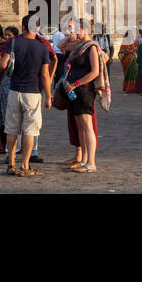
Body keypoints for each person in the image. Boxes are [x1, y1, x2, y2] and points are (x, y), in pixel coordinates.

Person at [3, 15, 51, 176]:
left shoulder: (12, 42)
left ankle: (11, 164)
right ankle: (25, 166)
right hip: (33, 93)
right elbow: (44, 75)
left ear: (23, 27)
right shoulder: (42, 47)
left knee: (12, 129)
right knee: (30, 130)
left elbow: (4, 65)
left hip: (14, 90)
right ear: (37, 28)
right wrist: (49, 96)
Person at [61, 22, 101, 172]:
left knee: (87, 126)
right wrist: (70, 37)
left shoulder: (91, 47)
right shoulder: (78, 46)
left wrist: (76, 83)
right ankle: (84, 159)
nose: (73, 31)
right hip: (74, 92)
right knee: (80, 127)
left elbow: (95, 72)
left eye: (76, 29)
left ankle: (91, 163)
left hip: (84, 91)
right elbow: (60, 46)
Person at [0, 26, 17, 154]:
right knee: (3, 113)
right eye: (6, 35)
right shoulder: (4, 46)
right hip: (4, 81)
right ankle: (3, 144)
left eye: (9, 35)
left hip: (14, 82)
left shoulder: (17, 46)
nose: (7, 37)